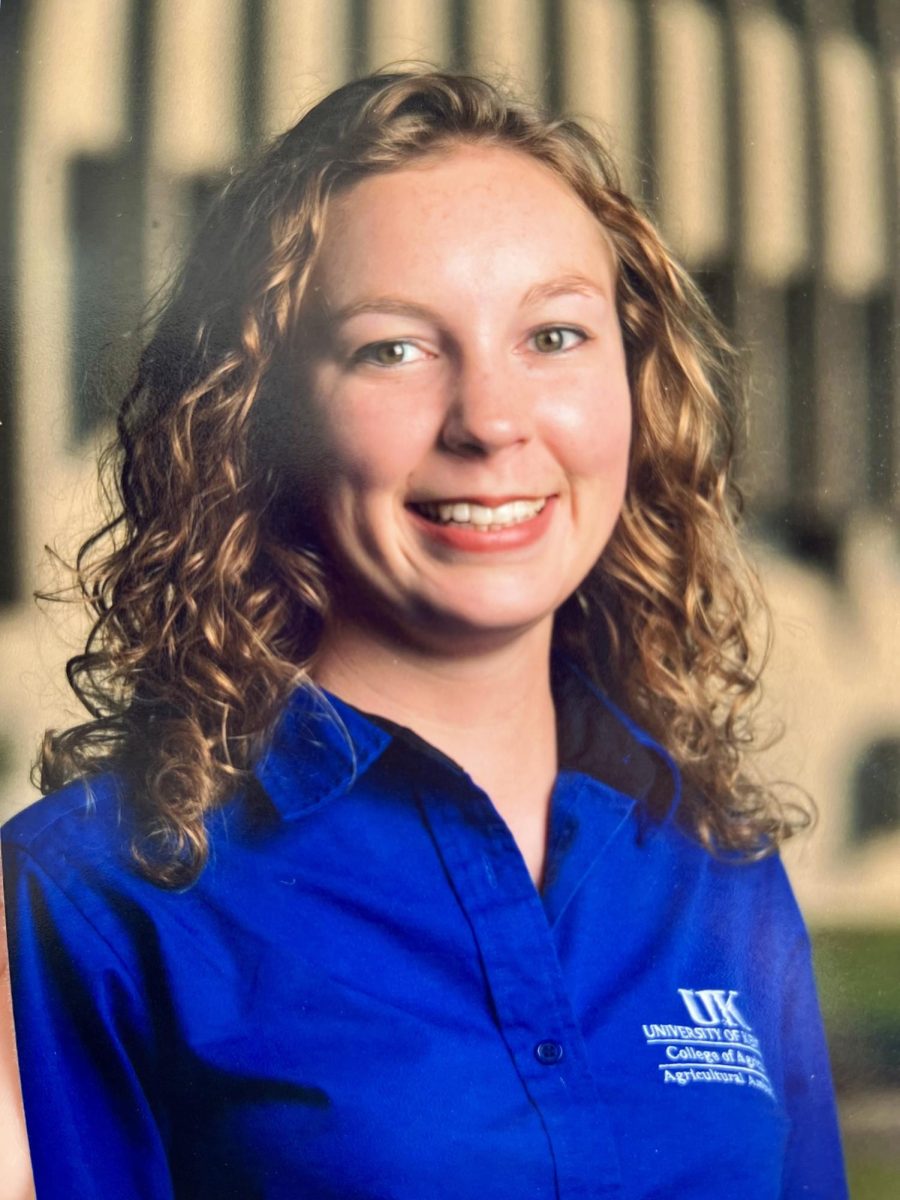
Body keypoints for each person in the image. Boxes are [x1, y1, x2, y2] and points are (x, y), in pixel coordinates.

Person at [2, 70, 846, 1198]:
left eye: (554, 334)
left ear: (637, 388)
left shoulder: (716, 872)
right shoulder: (94, 897)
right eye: (393, 349)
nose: (491, 421)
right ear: (256, 413)